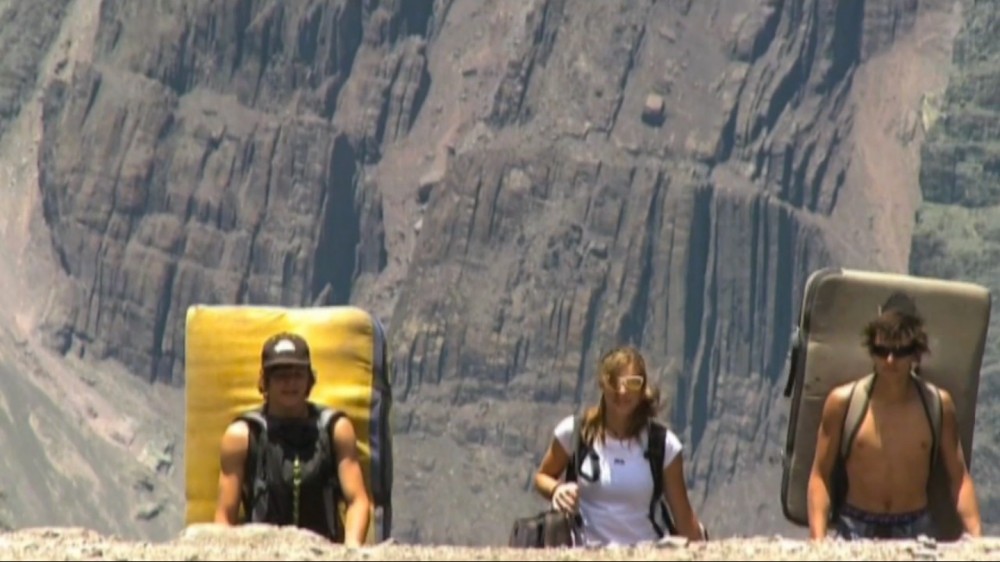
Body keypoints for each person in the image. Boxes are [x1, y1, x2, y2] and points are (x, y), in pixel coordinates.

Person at [807, 292, 982, 541]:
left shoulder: (937, 405)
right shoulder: (843, 403)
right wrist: (818, 540)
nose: (890, 360)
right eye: (882, 350)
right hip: (855, 527)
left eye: (900, 351)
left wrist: (976, 538)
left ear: (915, 353)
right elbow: (820, 475)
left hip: (915, 528)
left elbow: (959, 478)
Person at [533, 345, 706, 547]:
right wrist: (556, 489)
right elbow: (541, 477)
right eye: (613, 381)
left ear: (642, 389)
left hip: (648, 553)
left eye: (632, 383)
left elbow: (682, 514)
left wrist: (702, 547)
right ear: (601, 383)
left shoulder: (663, 445)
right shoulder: (574, 433)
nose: (622, 391)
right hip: (587, 551)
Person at [213, 331, 372, 546]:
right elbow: (225, 515)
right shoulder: (243, 436)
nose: (290, 383)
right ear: (265, 382)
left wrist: (350, 551)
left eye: (298, 374)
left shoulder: (335, 429)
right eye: (281, 376)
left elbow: (357, 500)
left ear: (309, 379)